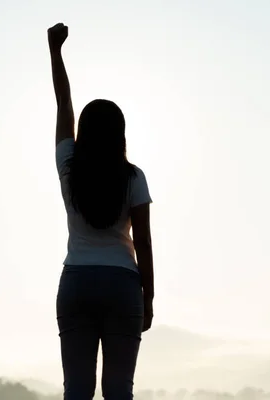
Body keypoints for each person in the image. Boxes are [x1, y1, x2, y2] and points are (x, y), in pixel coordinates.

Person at [48, 22, 155, 400]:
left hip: (76, 281)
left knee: (76, 389)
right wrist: (149, 297)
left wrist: (55, 51)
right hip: (122, 284)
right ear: (120, 135)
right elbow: (141, 240)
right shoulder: (133, 177)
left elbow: (64, 105)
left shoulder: (69, 168)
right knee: (118, 390)